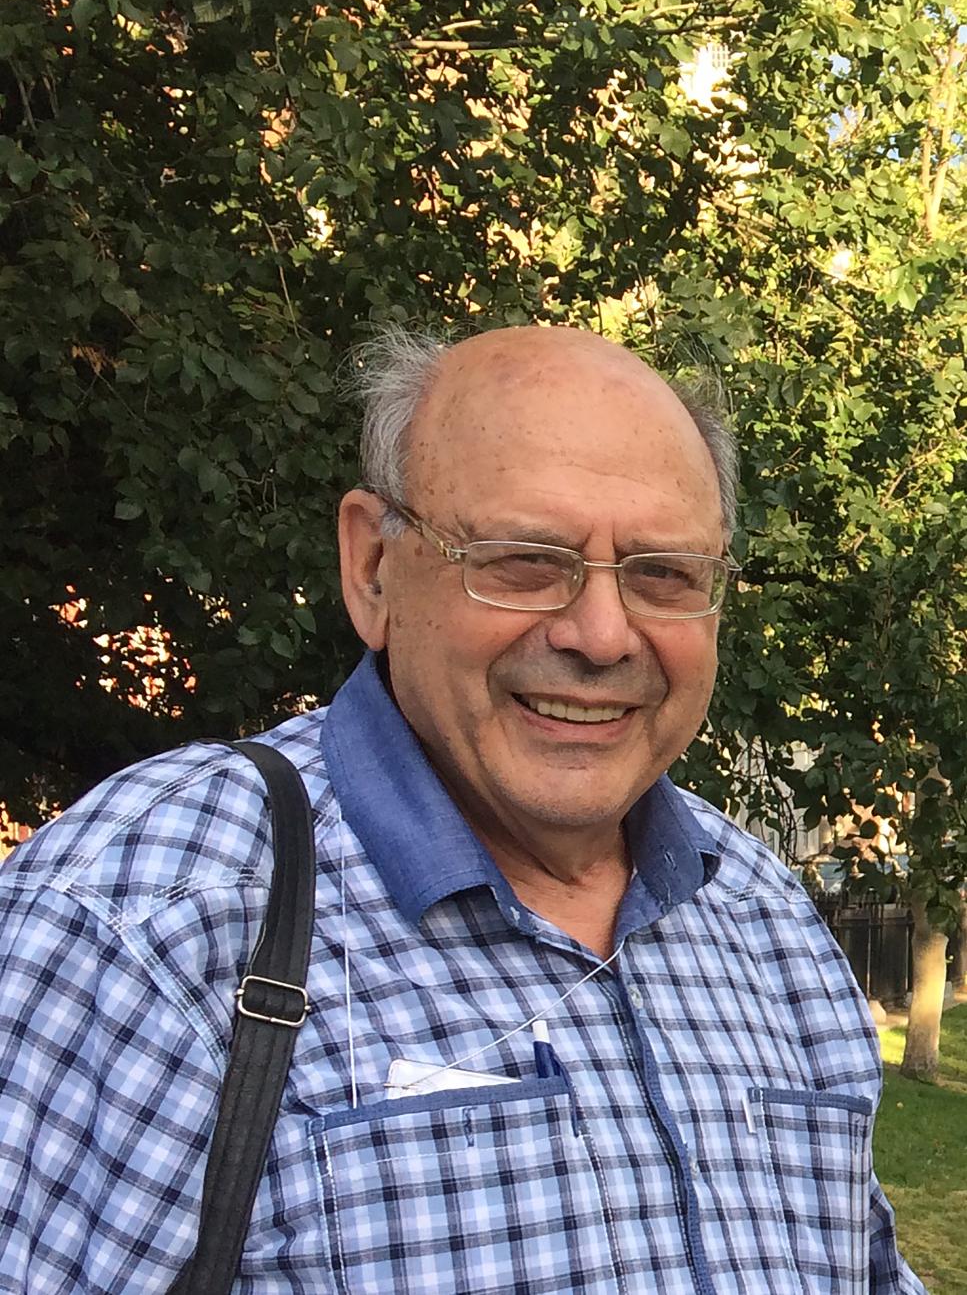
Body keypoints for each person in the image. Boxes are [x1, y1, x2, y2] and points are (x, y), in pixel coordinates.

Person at [0, 326, 923, 1294]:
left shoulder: (765, 921)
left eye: (662, 572)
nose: (602, 635)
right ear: (372, 567)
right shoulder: (141, 919)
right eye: (523, 559)